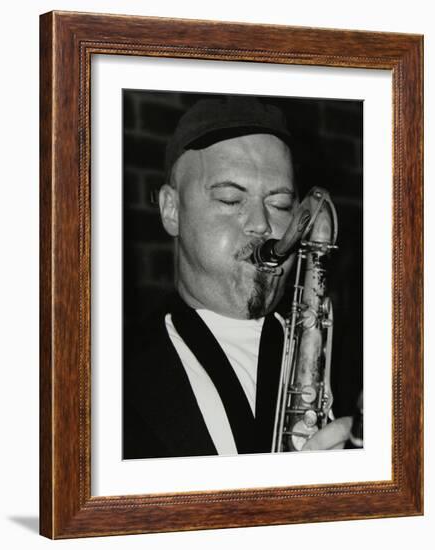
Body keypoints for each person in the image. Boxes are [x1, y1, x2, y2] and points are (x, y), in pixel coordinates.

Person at [123, 96, 353, 459]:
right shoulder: (102, 383)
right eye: (231, 199)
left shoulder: (359, 362)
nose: (262, 225)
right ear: (171, 210)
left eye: (279, 204)